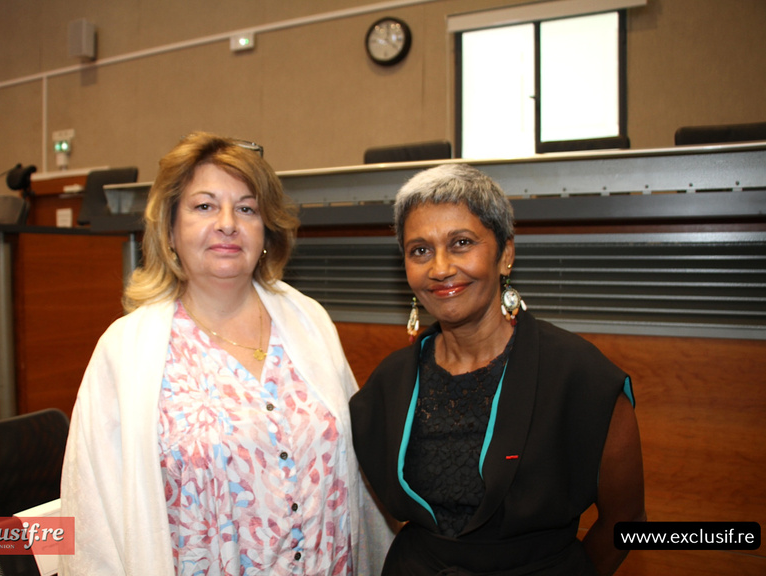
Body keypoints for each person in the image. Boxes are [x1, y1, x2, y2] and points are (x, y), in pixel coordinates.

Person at [59, 132, 394, 576]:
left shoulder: (309, 322)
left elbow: (361, 476)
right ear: (171, 231)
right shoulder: (126, 352)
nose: (227, 223)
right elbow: (92, 516)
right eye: (204, 206)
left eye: (246, 208)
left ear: (265, 230)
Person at [349, 164, 646, 576]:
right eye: (420, 250)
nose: (439, 268)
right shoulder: (389, 383)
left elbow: (626, 519)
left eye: (461, 243)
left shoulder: (579, 376)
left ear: (505, 254)